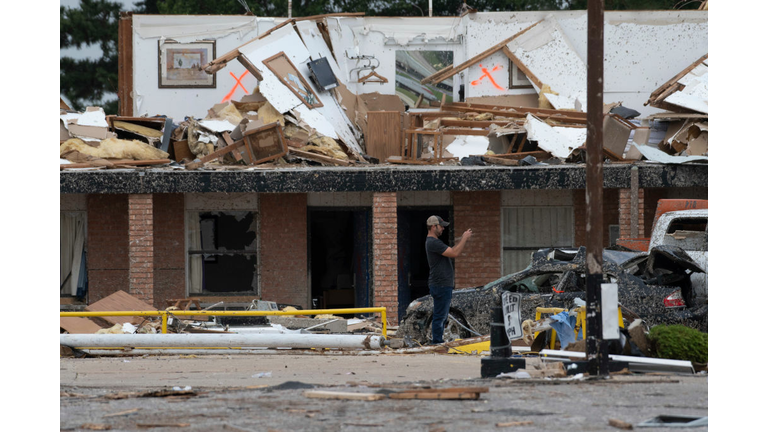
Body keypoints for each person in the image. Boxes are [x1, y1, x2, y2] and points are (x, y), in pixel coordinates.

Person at [424, 215, 472, 344]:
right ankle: (437, 342)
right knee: (440, 316)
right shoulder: (433, 242)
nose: (443, 229)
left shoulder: (434, 242)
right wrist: (464, 238)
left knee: (442, 315)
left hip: (442, 285)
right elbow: (454, 253)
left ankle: (438, 340)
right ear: (434, 227)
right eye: (441, 226)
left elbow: (452, 250)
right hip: (440, 285)